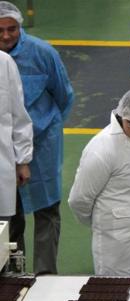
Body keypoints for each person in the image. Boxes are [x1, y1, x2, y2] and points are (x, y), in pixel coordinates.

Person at [0, 2, 74, 275]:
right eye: (0, 31)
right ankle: (11, 273)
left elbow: (64, 95)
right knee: (8, 213)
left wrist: (46, 129)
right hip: (3, 150)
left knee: (46, 210)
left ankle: (46, 277)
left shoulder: (42, 53)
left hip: (42, 145)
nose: (7, 36)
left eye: (13, 29)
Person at [68, 89, 130, 276]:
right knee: (117, 296)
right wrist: (103, 222)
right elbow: (79, 200)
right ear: (121, 116)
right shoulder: (101, 149)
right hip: (118, 246)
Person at [0, 51, 32, 222]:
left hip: (1, 165)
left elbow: (19, 114)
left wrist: (23, 160)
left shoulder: (4, 62)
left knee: (2, 235)